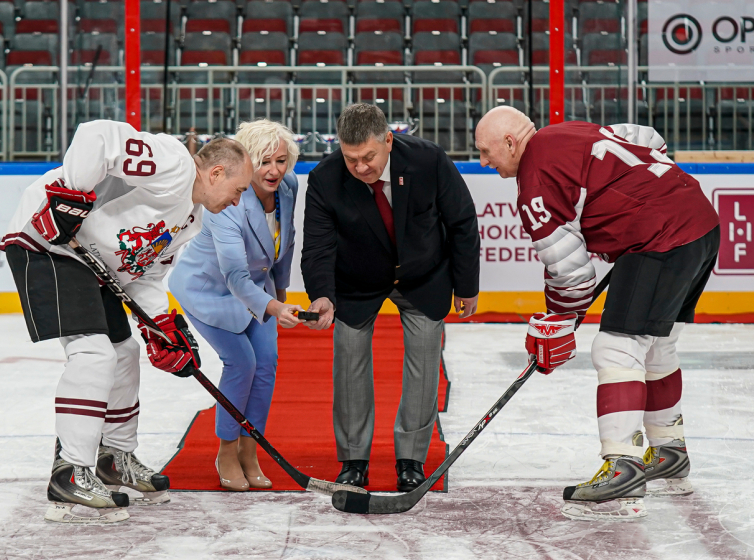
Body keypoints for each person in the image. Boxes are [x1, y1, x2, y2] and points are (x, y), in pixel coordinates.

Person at [0, 120, 253, 523]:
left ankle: (112, 458)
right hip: (46, 243)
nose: (238, 201)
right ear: (217, 173)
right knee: (93, 353)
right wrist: (71, 194)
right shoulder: (174, 163)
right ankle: (70, 470)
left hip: (89, 263)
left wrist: (162, 325)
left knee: (124, 351)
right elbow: (95, 135)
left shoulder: (192, 220)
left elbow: (143, 274)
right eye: (239, 190)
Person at [475, 106, 720, 521]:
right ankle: (669, 450)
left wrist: (559, 323)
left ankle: (623, 464)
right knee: (658, 347)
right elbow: (648, 137)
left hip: (659, 238)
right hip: (699, 220)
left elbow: (571, 276)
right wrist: (650, 190)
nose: (484, 162)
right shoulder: (573, 130)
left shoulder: (535, 181)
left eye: (486, 151)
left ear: (511, 143)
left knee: (615, 349)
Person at [301, 103, 481, 491]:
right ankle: (353, 461)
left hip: (423, 276)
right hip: (357, 279)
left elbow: (462, 222)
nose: (361, 167)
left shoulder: (428, 160)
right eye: (351, 159)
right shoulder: (325, 178)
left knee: (423, 362)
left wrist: (466, 286)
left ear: (388, 140)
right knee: (349, 361)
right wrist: (322, 296)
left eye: (368, 157)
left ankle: (410, 459)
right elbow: (317, 247)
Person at [169, 119, 304, 491]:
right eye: (263, 162)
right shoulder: (227, 202)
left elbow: (283, 247)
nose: (274, 170)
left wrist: (280, 295)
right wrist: (274, 310)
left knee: (266, 366)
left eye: (280, 160)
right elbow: (234, 276)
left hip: (258, 291)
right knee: (242, 363)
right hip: (209, 292)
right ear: (246, 162)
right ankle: (226, 450)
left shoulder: (288, 187)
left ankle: (251, 449)